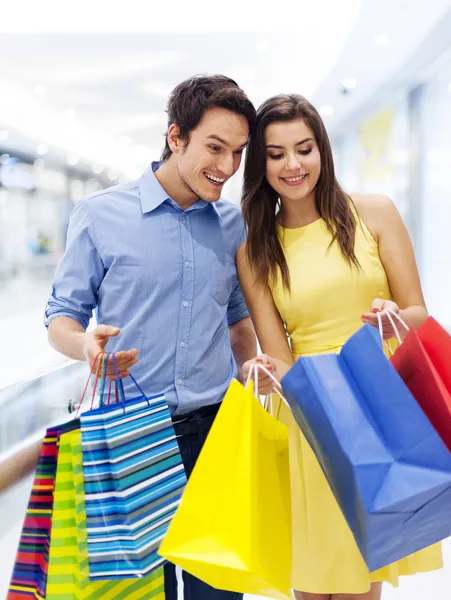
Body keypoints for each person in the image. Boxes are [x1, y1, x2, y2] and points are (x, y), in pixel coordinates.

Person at [44, 74, 257, 600]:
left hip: (216, 435)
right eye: (215, 147)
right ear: (175, 136)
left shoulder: (232, 225)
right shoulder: (100, 215)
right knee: (140, 591)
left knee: (220, 593)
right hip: (130, 438)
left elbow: (236, 320)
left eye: (238, 152)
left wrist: (250, 372)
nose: (227, 167)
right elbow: (60, 317)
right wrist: (86, 347)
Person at [237, 93, 443, 600]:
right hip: (312, 416)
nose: (293, 164)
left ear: (322, 150)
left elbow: (416, 309)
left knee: (357, 580)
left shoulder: (373, 213)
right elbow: (277, 351)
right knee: (310, 584)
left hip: (373, 406)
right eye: (276, 153)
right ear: (260, 164)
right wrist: (266, 371)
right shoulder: (256, 249)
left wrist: (392, 319)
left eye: (304, 148)